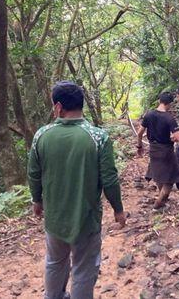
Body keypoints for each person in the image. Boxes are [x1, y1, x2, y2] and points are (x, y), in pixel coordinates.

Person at [28, 81, 126, 299]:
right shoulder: (99, 137)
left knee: (54, 262)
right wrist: (118, 210)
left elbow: (34, 174)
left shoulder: (41, 135)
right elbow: (109, 179)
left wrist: (37, 201)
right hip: (86, 219)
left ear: (59, 107)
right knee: (83, 268)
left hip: (54, 219)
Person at [136, 91, 179, 209]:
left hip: (153, 149)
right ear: (169, 104)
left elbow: (139, 133)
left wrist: (139, 146)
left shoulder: (149, 114)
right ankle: (159, 203)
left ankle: (162, 201)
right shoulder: (169, 118)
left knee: (159, 176)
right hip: (166, 151)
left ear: (159, 101)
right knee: (170, 180)